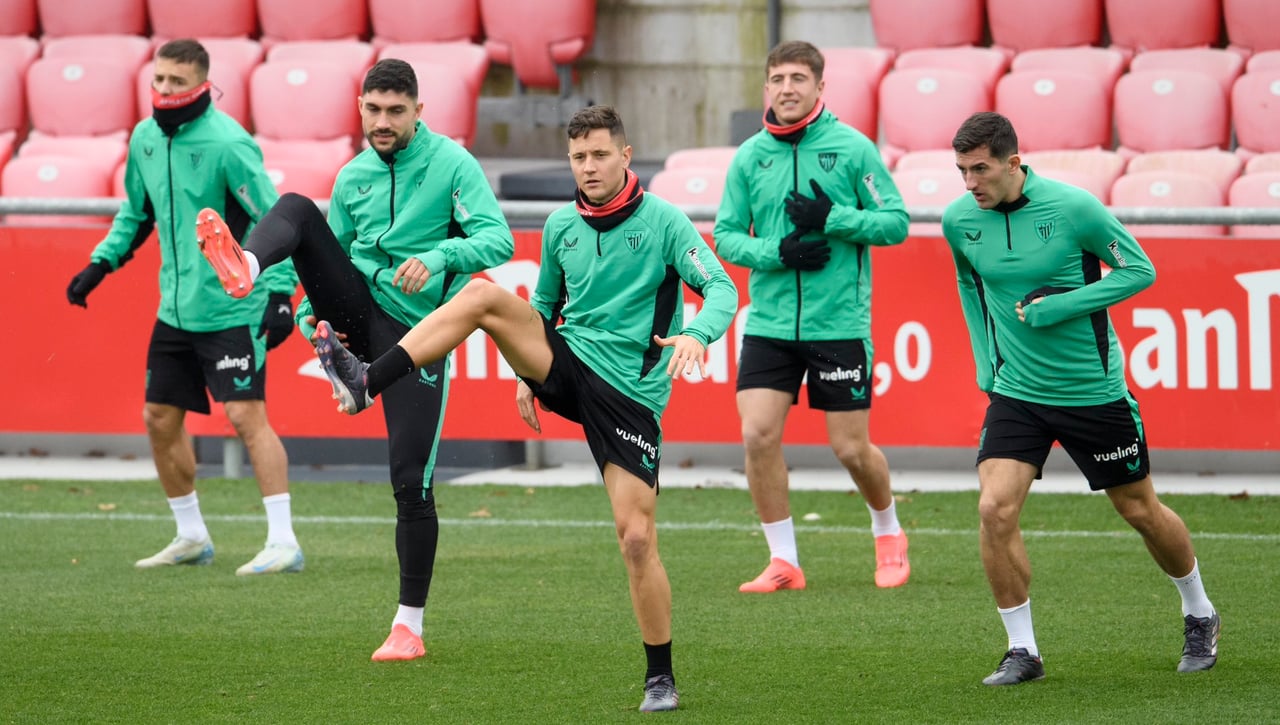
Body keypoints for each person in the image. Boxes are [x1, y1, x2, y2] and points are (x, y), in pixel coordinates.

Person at [301, 105, 736, 712]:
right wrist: (530, 376)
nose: (589, 167)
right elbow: (550, 305)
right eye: (579, 157)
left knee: (635, 538)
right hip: (565, 363)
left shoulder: (665, 223)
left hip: (628, 399)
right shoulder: (561, 225)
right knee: (482, 294)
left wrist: (699, 335)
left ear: (626, 156)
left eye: (601, 155)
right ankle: (368, 381)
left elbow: (721, 288)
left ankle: (659, 675)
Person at [194, 59, 514, 661]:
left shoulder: (452, 164)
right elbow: (326, 254)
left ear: (420, 111)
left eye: (396, 111)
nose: (383, 121)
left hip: (419, 332)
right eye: (373, 109)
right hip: (358, 312)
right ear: (360, 107)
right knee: (294, 206)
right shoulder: (353, 175)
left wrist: (443, 255)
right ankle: (250, 269)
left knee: (409, 481)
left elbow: (499, 238)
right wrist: (301, 308)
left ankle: (408, 626)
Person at [941, 111, 1221, 686]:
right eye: (962, 171)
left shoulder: (1074, 209)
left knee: (1138, 509)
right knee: (995, 508)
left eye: (981, 169)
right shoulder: (958, 220)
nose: (970, 183)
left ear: (1014, 163)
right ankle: (1023, 650)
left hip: (1091, 391)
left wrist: (1060, 306)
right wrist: (982, 361)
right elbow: (968, 285)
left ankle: (1199, 610)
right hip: (1017, 392)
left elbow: (1139, 270)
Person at [65, 39, 302, 576]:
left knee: (246, 416)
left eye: (177, 81)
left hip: (234, 310)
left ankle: (284, 542)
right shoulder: (145, 138)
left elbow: (275, 219)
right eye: (160, 79)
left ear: (202, 84)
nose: (165, 89)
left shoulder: (229, 142)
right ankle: (191, 535)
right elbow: (136, 214)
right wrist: (99, 266)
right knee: (158, 418)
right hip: (175, 310)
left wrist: (282, 295)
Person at [714, 40, 912, 593]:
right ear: (766, 87)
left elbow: (895, 222)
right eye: (777, 79)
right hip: (771, 324)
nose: (787, 89)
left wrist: (835, 218)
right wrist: (776, 253)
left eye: (799, 79)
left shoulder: (852, 149)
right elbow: (727, 235)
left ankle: (889, 532)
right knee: (756, 435)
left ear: (820, 88)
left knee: (850, 448)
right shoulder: (750, 156)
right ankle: (784, 561)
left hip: (837, 324)